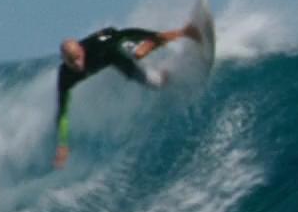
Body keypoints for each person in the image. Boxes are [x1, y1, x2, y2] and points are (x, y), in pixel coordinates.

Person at [52, 19, 202, 169]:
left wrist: (154, 36)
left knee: (140, 51)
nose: (77, 64)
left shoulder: (99, 45)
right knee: (156, 83)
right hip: (115, 60)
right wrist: (63, 144)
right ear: (65, 61)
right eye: (72, 61)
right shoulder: (66, 76)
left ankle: (187, 31)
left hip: (114, 43)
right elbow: (63, 112)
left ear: (81, 50)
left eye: (78, 57)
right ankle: (171, 71)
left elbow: (127, 34)